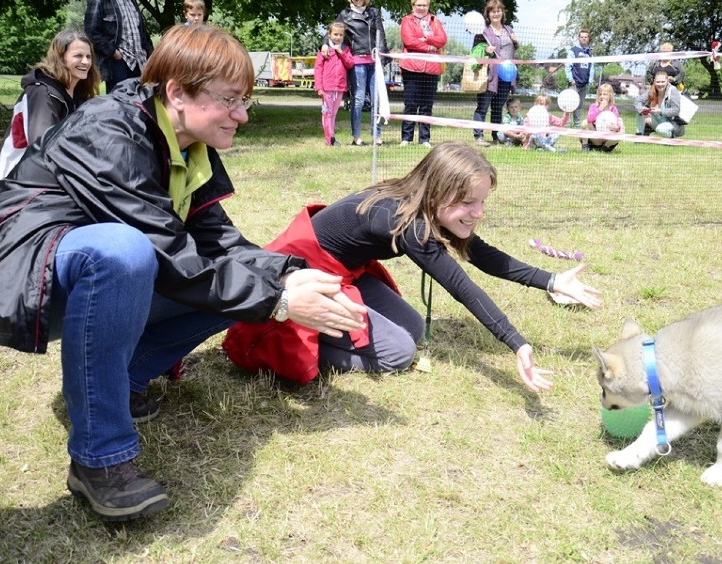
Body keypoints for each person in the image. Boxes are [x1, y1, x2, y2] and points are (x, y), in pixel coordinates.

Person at [0, 25, 366, 522]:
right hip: (19, 270)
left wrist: (292, 276)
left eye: (245, 99)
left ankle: (120, 382)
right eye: (230, 99)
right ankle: (99, 459)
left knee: (232, 282)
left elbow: (218, 243)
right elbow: (167, 252)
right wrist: (283, 303)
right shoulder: (109, 128)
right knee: (125, 251)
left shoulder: (189, 144)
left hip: (94, 278)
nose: (244, 115)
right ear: (177, 92)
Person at [223, 142, 602, 390]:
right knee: (397, 353)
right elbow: (462, 286)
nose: (479, 213)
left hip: (343, 273)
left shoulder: (423, 205)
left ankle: (330, 326)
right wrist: (517, 344)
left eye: (482, 201)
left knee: (414, 327)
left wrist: (552, 280)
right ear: (438, 190)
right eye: (469, 202)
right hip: (306, 278)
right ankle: (296, 341)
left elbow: (482, 255)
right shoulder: (402, 221)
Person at [0, 30, 100, 189]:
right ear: (61, 58)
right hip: (18, 182)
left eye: (88, 57)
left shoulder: (78, 94)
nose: (85, 62)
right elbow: (42, 146)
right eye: (78, 56)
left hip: (57, 173)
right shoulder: (41, 93)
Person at [322, 0, 388, 146]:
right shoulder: (345, 14)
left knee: (376, 100)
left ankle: (376, 136)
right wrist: (325, 43)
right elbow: (332, 31)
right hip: (357, 61)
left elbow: (380, 34)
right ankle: (356, 137)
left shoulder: (374, 12)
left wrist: (383, 60)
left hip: (374, 60)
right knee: (358, 99)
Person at [398, 0, 447, 147]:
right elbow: (409, 41)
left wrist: (427, 38)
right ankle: (406, 138)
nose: (421, 8)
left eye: (424, 5)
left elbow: (442, 40)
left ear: (428, 6)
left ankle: (424, 139)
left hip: (431, 69)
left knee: (427, 105)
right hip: (411, 68)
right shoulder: (407, 20)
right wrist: (430, 47)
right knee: (410, 104)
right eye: (418, 5)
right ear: (413, 6)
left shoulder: (435, 21)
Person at [471, 0, 519, 147]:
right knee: (483, 107)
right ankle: (478, 136)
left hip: (506, 76)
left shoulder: (509, 29)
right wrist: (485, 50)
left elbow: (512, 49)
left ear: (502, 12)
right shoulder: (483, 31)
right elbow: (475, 50)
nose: (496, 13)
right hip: (489, 76)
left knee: (497, 108)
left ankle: (496, 136)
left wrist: (516, 42)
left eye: (498, 10)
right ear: (488, 14)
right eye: (493, 11)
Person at [84, 0, 154, 94]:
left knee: (145, 103)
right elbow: (91, 33)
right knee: (120, 104)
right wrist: (113, 52)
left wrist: (147, 50)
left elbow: (142, 31)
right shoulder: (98, 1)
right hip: (117, 64)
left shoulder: (132, 1)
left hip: (140, 62)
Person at [315, 21, 354, 147]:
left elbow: (350, 64)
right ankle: (329, 139)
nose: (338, 37)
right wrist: (319, 87)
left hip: (340, 87)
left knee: (333, 113)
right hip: (327, 87)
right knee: (326, 112)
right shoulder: (324, 50)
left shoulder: (345, 49)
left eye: (340, 35)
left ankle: (331, 137)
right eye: (335, 34)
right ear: (329, 35)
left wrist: (341, 53)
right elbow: (318, 69)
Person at [634, 70, 685, 138]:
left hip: (672, 123)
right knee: (640, 113)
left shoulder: (673, 91)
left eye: (662, 82)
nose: (660, 84)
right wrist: (645, 112)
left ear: (667, 81)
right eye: (658, 82)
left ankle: (672, 138)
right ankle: (640, 136)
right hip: (657, 120)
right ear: (654, 81)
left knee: (660, 129)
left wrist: (660, 111)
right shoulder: (651, 90)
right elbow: (637, 102)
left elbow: (676, 110)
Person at [580, 83, 622, 152]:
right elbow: (589, 119)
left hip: (607, 137)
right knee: (585, 122)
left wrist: (616, 127)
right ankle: (585, 146)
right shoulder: (593, 106)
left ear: (610, 96)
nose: (602, 96)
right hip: (595, 137)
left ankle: (606, 148)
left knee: (621, 125)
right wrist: (600, 108)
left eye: (604, 94)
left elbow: (617, 123)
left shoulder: (613, 109)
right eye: (600, 94)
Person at [565, 30, 594, 127]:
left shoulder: (590, 52)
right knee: (570, 104)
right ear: (579, 38)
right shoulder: (573, 50)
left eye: (586, 37)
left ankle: (577, 124)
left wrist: (590, 80)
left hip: (585, 84)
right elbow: (568, 66)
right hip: (574, 83)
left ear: (588, 38)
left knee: (579, 105)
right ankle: (567, 123)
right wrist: (570, 79)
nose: (584, 38)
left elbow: (592, 67)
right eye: (582, 37)